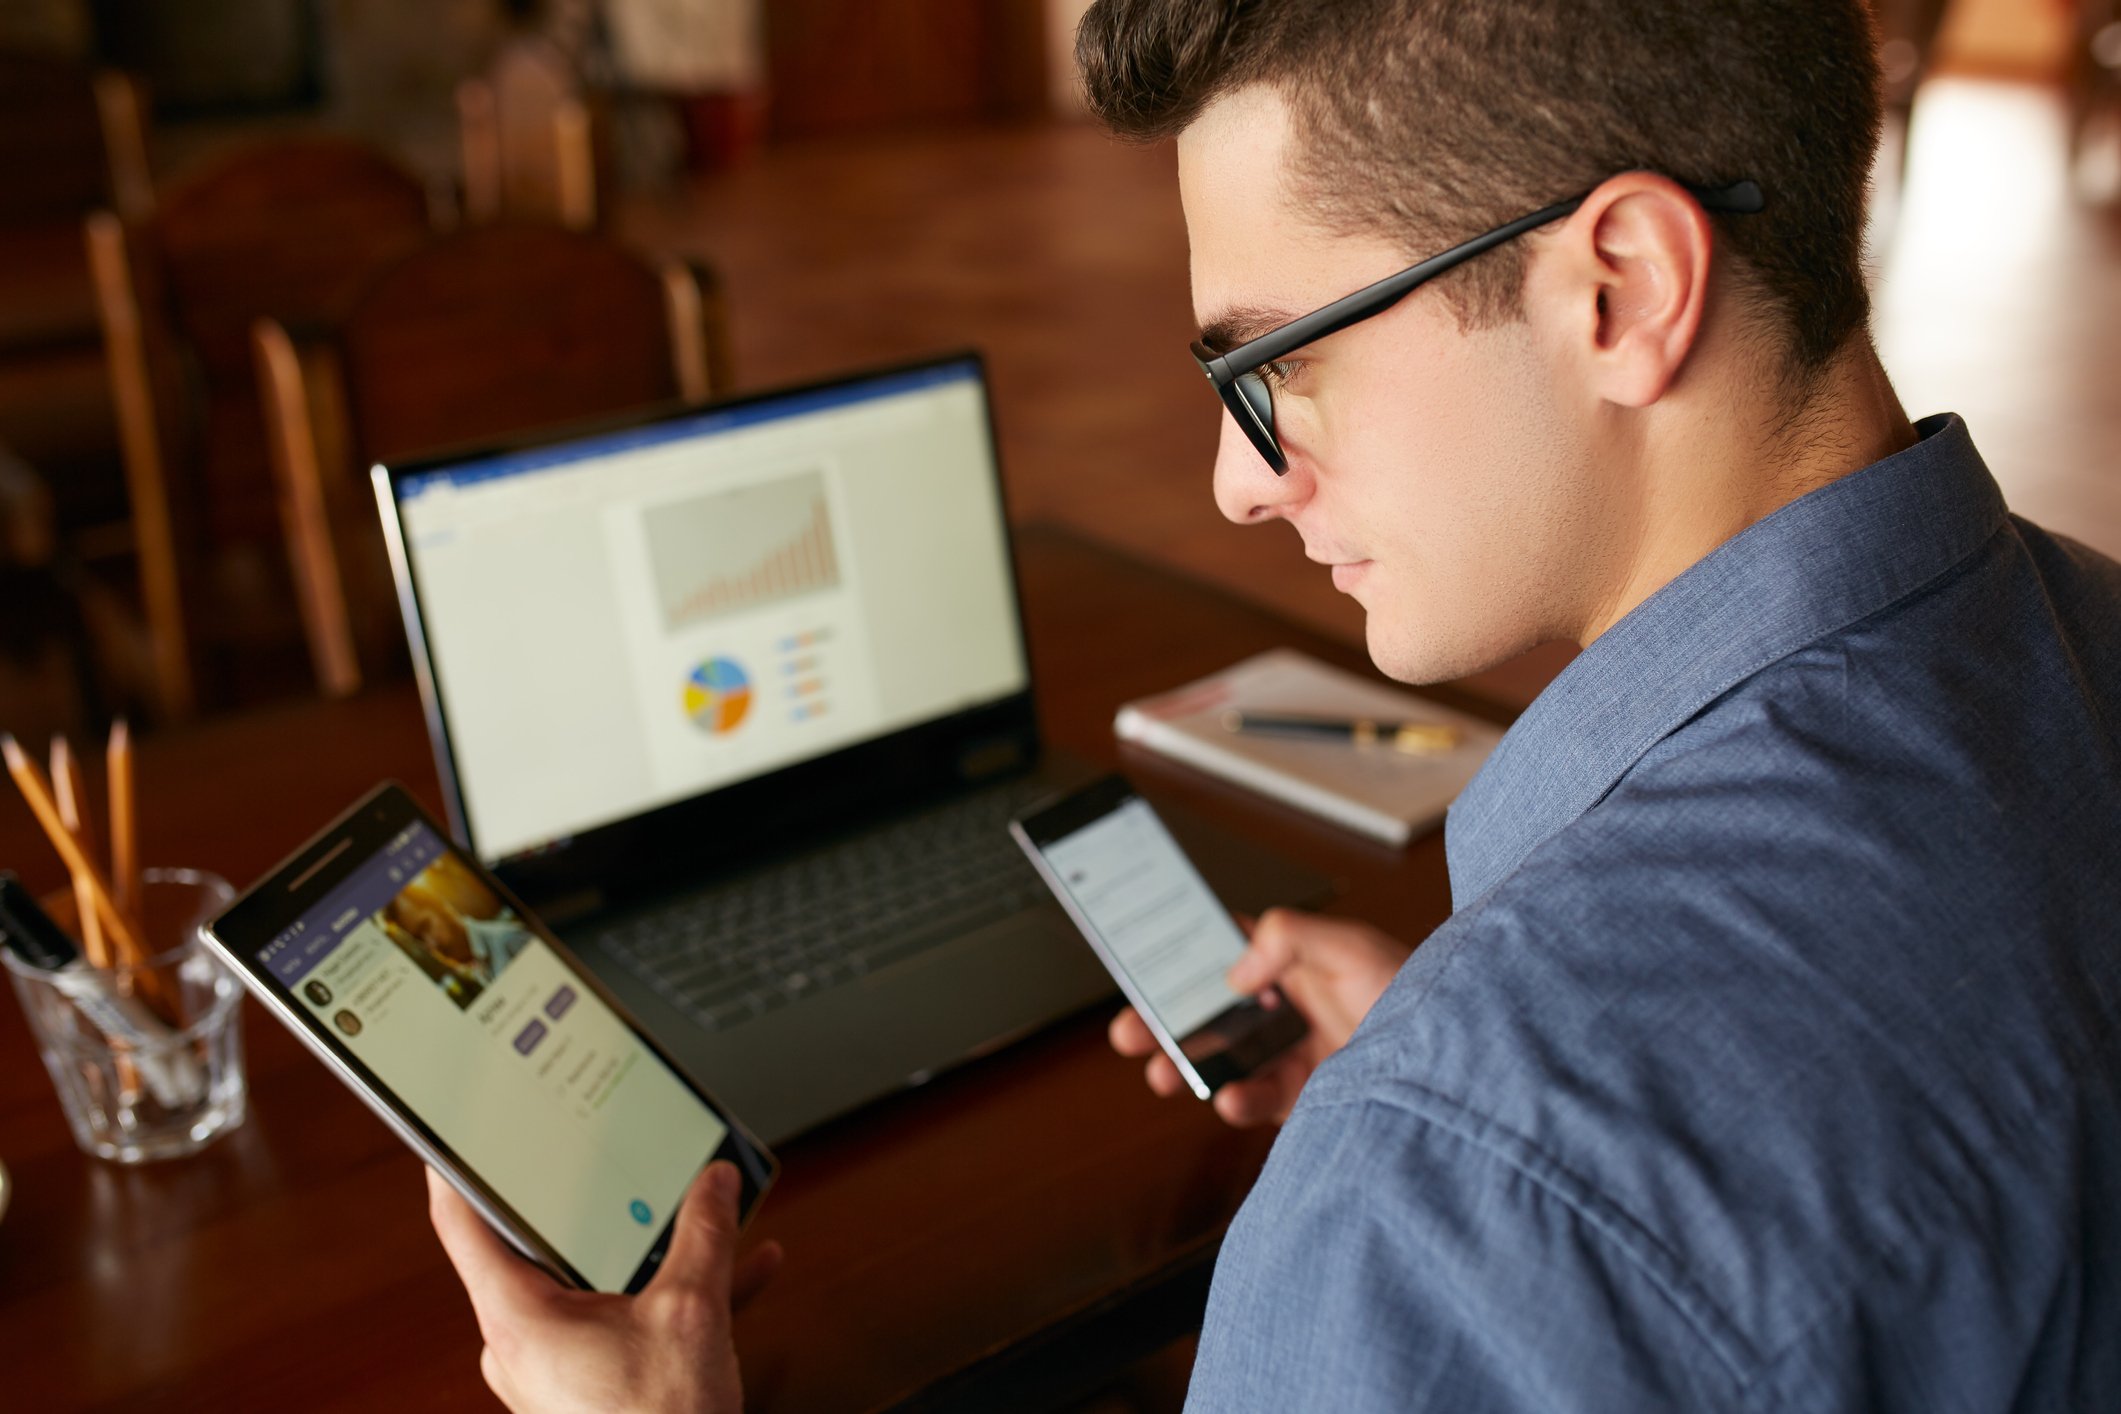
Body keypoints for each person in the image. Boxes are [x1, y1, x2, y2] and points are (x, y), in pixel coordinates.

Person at [427, 1, 2121, 1408]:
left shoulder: (1439, 1205)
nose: (1237, 484)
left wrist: (1463, 1119)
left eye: (1272, 367)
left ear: (1616, 287)